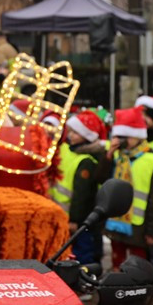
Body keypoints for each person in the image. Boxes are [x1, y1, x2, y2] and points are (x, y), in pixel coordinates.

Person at [102, 107, 153, 305]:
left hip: (139, 226)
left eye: (125, 136)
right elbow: (101, 181)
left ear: (139, 136)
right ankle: (114, 299)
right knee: (116, 265)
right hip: (116, 222)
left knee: (137, 271)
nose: (120, 140)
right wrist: (108, 157)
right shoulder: (116, 158)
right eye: (118, 135)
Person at [50, 110, 107, 264]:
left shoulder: (86, 161)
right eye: (71, 131)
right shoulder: (65, 150)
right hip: (61, 212)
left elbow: (83, 195)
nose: (71, 135)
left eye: (77, 133)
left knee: (81, 253)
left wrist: (75, 219)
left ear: (87, 136)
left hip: (77, 220)